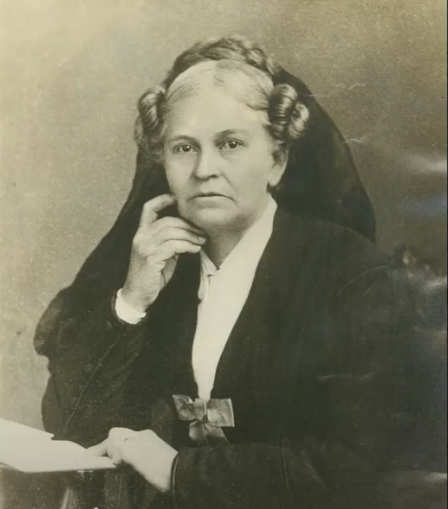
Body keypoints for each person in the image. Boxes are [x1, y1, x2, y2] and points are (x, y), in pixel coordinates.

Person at [35, 36, 416, 509]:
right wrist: (132, 301)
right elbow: (71, 429)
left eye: (230, 144)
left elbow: (354, 463)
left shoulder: (348, 270)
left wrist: (178, 471)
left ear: (276, 160)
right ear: (162, 160)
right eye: (183, 147)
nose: (204, 169)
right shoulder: (161, 274)